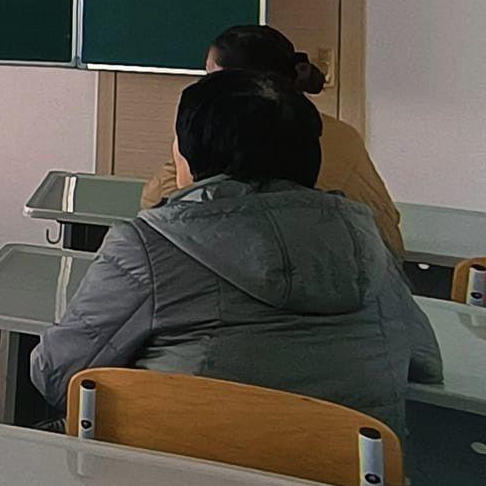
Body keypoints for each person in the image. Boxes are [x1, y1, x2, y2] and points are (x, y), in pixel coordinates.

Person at [29, 68, 440, 435]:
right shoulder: (363, 238)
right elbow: (423, 363)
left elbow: (58, 376)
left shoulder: (148, 246)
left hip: (174, 479)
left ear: (191, 154)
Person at [140, 23, 403, 257]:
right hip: (370, 268)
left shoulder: (243, 142)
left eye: (212, 78)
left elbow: (168, 212)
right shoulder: (339, 133)